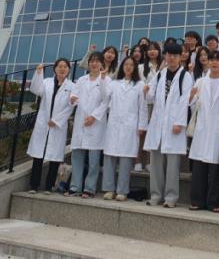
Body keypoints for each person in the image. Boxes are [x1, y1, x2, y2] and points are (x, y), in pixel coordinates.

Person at [143, 42, 194, 208]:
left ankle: (171, 198)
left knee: (172, 164)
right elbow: (151, 96)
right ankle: (156, 195)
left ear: (180, 57)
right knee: (156, 162)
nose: (171, 58)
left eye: (175, 55)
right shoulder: (160, 74)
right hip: (158, 124)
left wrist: (179, 122)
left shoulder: (185, 76)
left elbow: (185, 100)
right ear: (165, 56)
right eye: (169, 55)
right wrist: (146, 91)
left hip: (174, 125)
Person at [188, 51, 219, 212]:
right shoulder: (200, 81)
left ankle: (214, 202)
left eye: (217, 60)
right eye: (211, 60)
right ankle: (197, 201)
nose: (214, 63)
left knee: (215, 168)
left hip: (218, 129)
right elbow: (192, 103)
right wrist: (191, 97)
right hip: (202, 127)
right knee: (199, 167)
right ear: (207, 62)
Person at [101, 57, 148, 201]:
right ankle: (109, 189)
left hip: (130, 125)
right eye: (126, 64)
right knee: (110, 156)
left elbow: (143, 107)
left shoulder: (140, 84)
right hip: (114, 124)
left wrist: (142, 126)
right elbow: (104, 96)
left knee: (126, 158)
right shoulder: (114, 83)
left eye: (131, 65)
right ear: (122, 67)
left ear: (135, 68)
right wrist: (103, 79)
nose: (128, 67)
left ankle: (122, 190)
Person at [27, 59, 76, 194]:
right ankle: (34, 185)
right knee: (38, 155)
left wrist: (57, 120)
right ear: (55, 69)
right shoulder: (47, 82)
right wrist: (38, 73)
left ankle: (49, 186)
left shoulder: (72, 86)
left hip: (58, 125)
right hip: (44, 122)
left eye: (65, 67)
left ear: (68, 69)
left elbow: (70, 107)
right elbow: (36, 89)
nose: (62, 69)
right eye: (60, 66)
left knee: (54, 157)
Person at [67, 52, 108, 197]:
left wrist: (94, 117)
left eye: (97, 61)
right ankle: (75, 187)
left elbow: (106, 101)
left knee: (93, 159)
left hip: (96, 123)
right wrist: (72, 99)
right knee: (77, 155)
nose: (94, 63)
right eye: (92, 61)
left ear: (102, 63)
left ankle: (89, 188)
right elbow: (74, 94)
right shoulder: (81, 80)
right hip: (81, 121)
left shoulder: (105, 80)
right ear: (88, 63)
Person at [136, 41, 162, 172]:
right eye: (150, 49)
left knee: (153, 132)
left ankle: (148, 161)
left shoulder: (164, 67)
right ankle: (138, 160)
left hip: (158, 104)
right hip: (144, 103)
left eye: (155, 49)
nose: (152, 51)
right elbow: (140, 85)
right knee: (142, 132)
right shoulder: (141, 67)